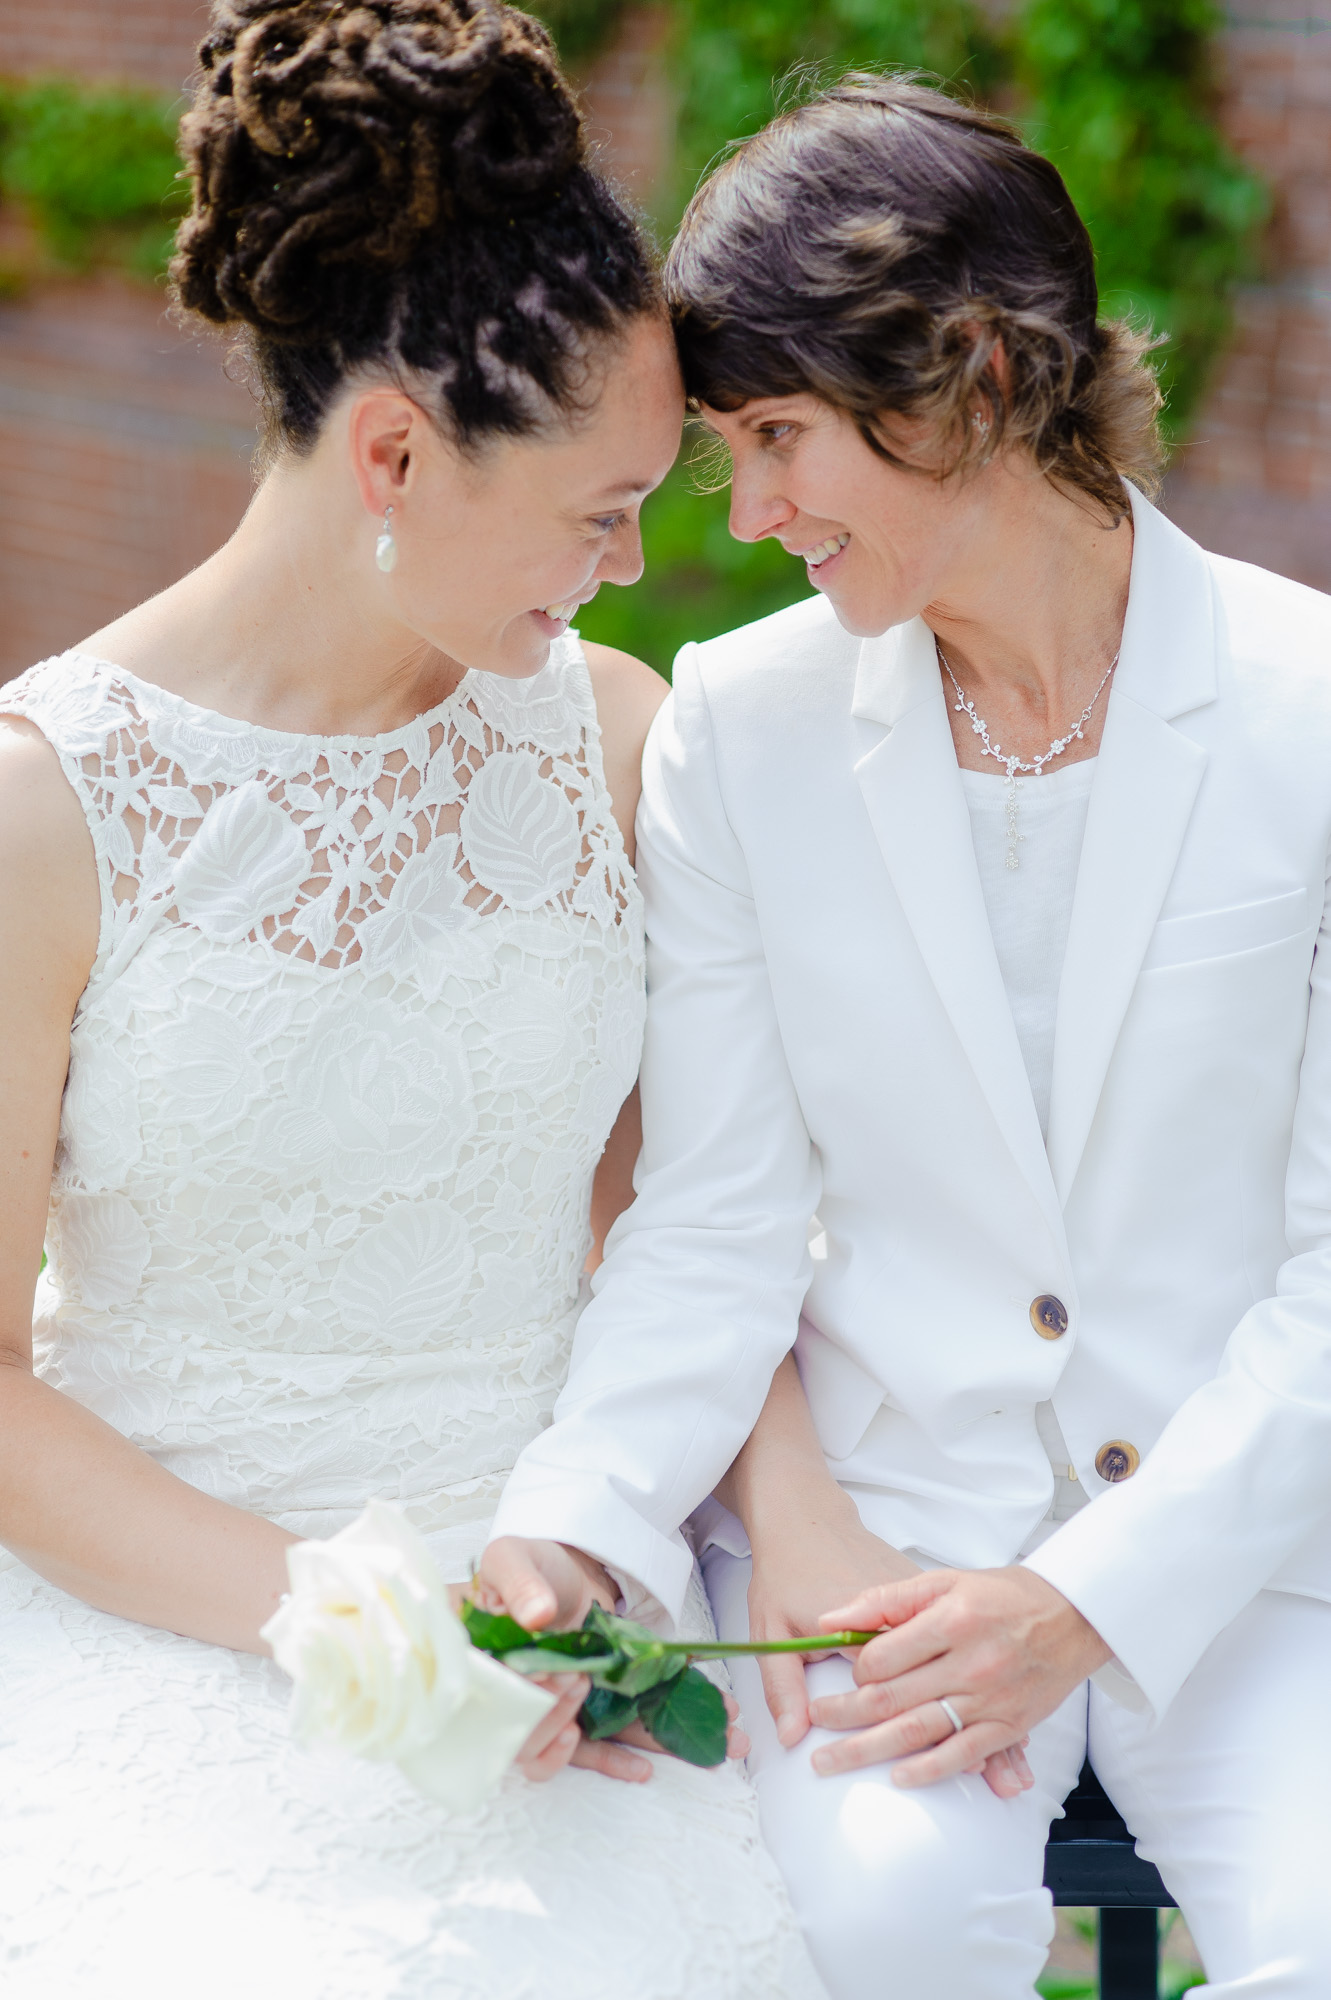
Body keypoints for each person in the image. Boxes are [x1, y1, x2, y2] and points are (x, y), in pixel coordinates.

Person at [0, 5, 824, 1996]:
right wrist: (354, 1620)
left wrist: (729, 1545)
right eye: (594, 507)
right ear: (391, 449)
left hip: (569, 1623)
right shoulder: (47, 806)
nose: (631, 567)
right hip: (174, 1632)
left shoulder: (609, 743)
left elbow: (679, 1231)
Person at [483, 74, 1331, 1998]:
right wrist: (578, 1530)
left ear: (970, 374)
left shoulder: (1314, 711)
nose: (751, 510)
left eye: (779, 435)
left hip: (1268, 1556)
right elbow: (708, 1217)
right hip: (884, 1545)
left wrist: (1087, 1600)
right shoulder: (743, 726)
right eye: (729, 449)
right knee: (864, 1929)